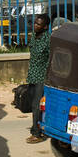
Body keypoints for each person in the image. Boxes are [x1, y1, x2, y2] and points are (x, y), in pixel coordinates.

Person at [24, 13, 51, 144]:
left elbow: (51, 59)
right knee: (32, 104)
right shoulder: (34, 36)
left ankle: (37, 133)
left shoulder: (48, 40)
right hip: (32, 75)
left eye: (38, 24)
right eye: (35, 23)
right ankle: (39, 128)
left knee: (36, 105)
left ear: (45, 27)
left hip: (42, 77)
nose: (35, 26)